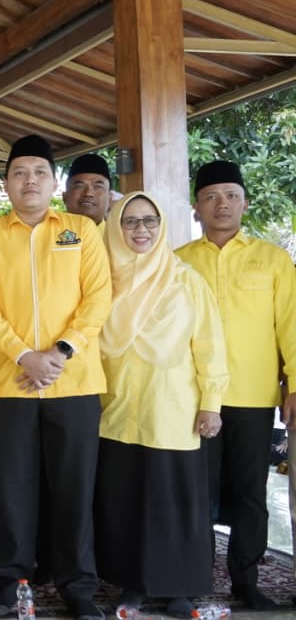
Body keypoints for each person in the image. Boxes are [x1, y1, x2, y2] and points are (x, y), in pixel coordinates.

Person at [0, 135, 112, 620]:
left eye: (39, 173)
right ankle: (10, 579)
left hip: (74, 383)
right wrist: (25, 355)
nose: (29, 181)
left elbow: (97, 298)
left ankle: (78, 585)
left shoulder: (79, 231)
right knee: (11, 488)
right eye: (19, 172)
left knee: (74, 487)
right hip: (9, 384)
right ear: (6, 182)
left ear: (54, 182)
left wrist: (60, 352)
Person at [95, 192, 228, 618]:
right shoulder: (103, 278)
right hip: (115, 408)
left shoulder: (184, 278)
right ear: (115, 226)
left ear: (162, 225)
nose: (140, 230)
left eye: (149, 221)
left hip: (173, 409)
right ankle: (131, 584)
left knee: (174, 500)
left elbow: (209, 344)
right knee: (125, 499)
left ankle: (178, 588)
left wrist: (212, 402)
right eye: (130, 222)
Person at [178, 161, 296, 610]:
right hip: (193, 398)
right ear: (196, 207)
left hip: (252, 395)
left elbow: (291, 326)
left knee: (250, 493)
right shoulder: (178, 262)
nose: (221, 204)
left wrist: (294, 386)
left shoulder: (273, 260)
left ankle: (245, 581)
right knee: (195, 493)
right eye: (210, 196)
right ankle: (191, 577)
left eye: (230, 195)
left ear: (244, 202)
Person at [64, 154, 112, 227]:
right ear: (64, 197)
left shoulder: (121, 236)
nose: (88, 193)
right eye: (79, 186)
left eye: (97, 186)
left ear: (110, 198)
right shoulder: (46, 234)